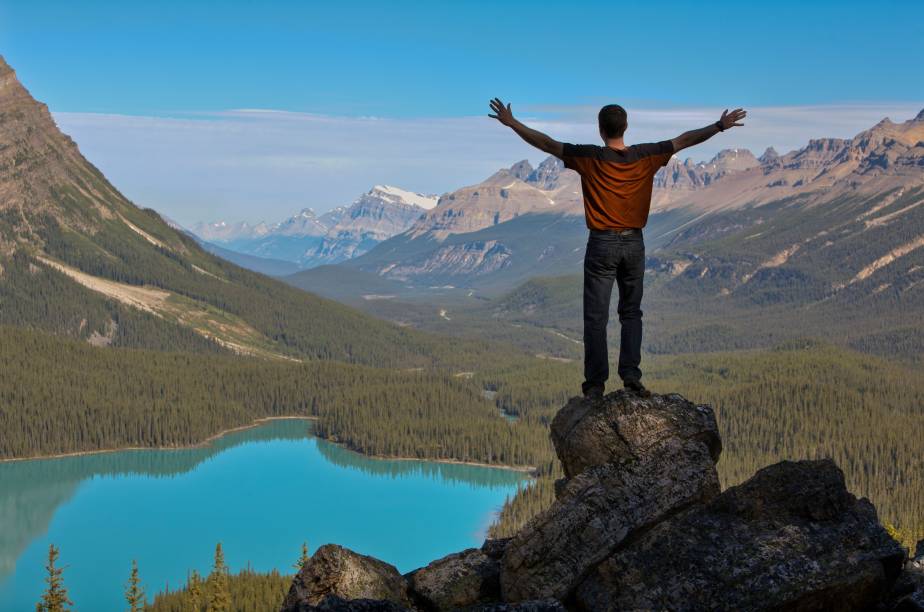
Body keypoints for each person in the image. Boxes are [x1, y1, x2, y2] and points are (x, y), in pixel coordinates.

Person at [488, 98, 746, 399]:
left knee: (596, 317)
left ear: (600, 130)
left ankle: (595, 385)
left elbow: (546, 143)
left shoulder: (590, 157)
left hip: (602, 243)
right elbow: (685, 140)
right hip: (635, 243)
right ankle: (631, 376)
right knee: (631, 313)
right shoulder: (646, 155)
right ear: (626, 127)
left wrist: (513, 123)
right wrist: (719, 127)